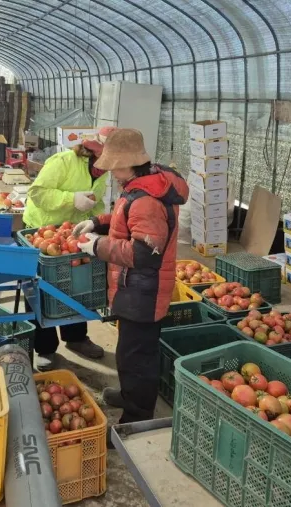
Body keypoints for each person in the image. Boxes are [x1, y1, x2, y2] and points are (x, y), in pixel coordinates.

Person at [74, 128, 188, 424]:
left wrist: (97, 246)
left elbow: (143, 254)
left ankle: (137, 418)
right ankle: (128, 395)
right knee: (127, 352)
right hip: (134, 288)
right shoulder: (141, 187)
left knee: (138, 360)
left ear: (128, 163)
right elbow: (127, 218)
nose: (110, 172)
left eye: (114, 166)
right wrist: (96, 223)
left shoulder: (147, 200)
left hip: (144, 292)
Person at [22, 127, 115, 371]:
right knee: (41, 289)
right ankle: (45, 348)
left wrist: (99, 222)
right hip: (41, 231)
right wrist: (71, 199)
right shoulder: (63, 161)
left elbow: (96, 202)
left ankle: (75, 338)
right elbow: (37, 192)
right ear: (94, 151)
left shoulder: (102, 172)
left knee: (75, 285)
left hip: (72, 234)